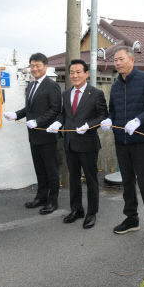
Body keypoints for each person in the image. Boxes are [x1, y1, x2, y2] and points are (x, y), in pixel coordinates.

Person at [100, 46, 144, 244]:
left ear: (131, 59)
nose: (117, 63)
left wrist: (138, 120)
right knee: (127, 182)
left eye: (120, 59)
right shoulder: (117, 85)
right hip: (122, 140)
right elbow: (113, 111)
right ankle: (131, 219)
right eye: (115, 60)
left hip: (142, 140)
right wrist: (109, 120)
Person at [46, 59, 107, 229]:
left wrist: (89, 126)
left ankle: (92, 212)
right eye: (72, 72)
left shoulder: (96, 94)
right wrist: (57, 124)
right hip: (70, 143)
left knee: (91, 179)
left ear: (86, 74)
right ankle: (76, 209)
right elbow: (62, 115)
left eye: (78, 72)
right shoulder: (65, 94)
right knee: (73, 179)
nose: (74, 75)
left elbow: (103, 115)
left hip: (88, 143)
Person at [4, 52, 62, 215]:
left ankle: (53, 200)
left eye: (38, 66)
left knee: (51, 170)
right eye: (32, 66)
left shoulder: (52, 86)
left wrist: (39, 122)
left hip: (47, 135)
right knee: (39, 169)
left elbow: (55, 109)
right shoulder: (31, 85)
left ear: (45, 66)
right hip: (33, 136)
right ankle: (41, 197)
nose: (34, 69)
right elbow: (29, 109)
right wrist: (16, 114)